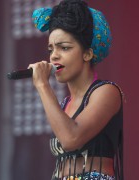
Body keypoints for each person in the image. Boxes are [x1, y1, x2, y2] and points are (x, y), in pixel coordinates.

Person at [28, 0, 124, 179]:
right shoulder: (65, 104)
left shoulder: (107, 92)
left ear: (87, 53)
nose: (54, 55)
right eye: (51, 49)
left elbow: (71, 138)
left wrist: (42, 85)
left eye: (64, 48)